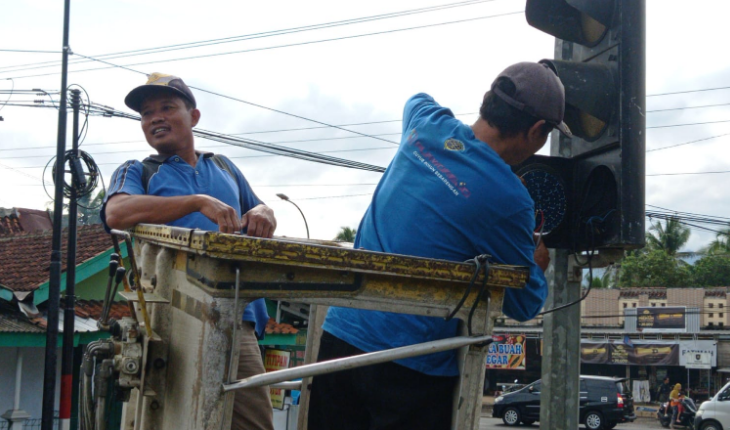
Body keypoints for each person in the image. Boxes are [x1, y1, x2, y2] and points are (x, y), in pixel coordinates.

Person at [308, 61, 570, 429]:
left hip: (339, 342)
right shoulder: (510, 199)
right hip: (412, 368)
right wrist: (537, 262)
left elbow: (417, 98)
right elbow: (524, 302)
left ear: (488, 101)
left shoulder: (424, 121)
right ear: (537, 130)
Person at [102, 73, 277, 430]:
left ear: (194, 117)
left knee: (253, 423)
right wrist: (197, 202)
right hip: (169, 323)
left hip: (235, 319)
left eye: (167, 107)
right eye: (147, 113)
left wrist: (264, 213)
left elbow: (259, 213)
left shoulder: (225, 167)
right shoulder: (138, 171)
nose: (156, 118)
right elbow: (117, 213)